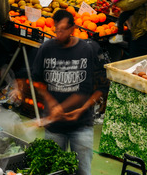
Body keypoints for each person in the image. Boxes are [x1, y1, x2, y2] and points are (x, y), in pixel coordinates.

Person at [32, 9, 108, 175]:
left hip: (80, 126)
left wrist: (81, 109)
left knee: (82, 171)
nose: (59, 34)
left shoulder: (88, 50)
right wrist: (51, 102)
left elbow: (94, 89)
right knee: (52, 170)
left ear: (73, 28)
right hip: (54, 127)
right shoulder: (46, 49)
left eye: (63, 30)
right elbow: (37, 81)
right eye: (56, 30)